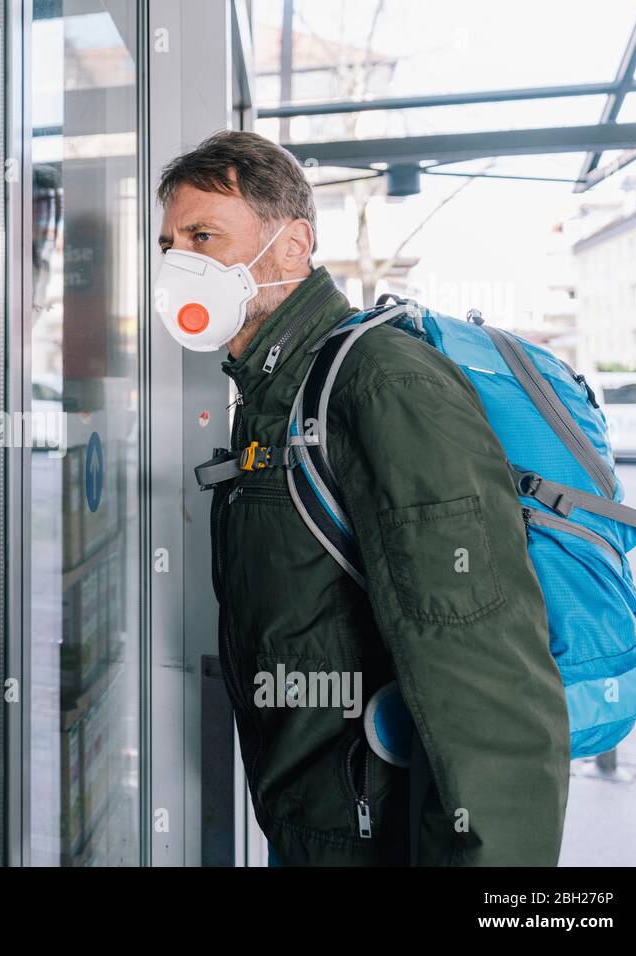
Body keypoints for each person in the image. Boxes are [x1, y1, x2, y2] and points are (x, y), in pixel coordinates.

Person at [156, 130, 569, 866]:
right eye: (169, 244)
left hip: (372, 839)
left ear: (292, 245)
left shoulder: (378, 382)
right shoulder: (271, 394)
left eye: (203, 235)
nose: (178, 263)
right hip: (314, 822)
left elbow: (484, 666)